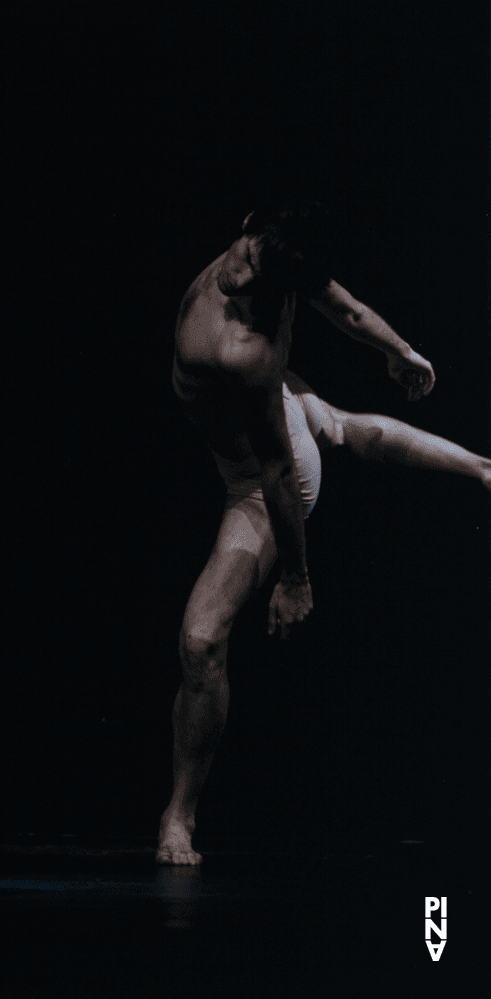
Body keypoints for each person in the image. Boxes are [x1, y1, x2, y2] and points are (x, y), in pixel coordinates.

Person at [159, 199, 490, 865]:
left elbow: (279, 472)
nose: (239, 274)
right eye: (244, 252)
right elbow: (348, 310)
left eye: (258, 275)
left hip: (261, 481)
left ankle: (178, 818)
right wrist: (401, 351)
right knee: (331, 421)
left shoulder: (238, 349)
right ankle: (483, 467)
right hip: (279, 413)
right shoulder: (274, 250)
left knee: (201, 638)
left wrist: (296, 577)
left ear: (281, 285)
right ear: (251, 222)